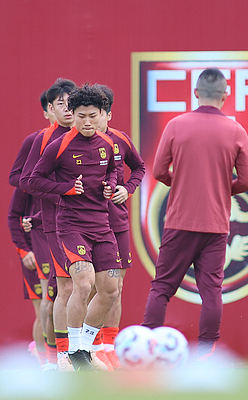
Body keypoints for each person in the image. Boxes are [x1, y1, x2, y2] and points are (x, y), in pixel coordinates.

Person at [141, 68, 248, 359]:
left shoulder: (176, 125)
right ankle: (206, 354)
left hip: (179, 222)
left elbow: (158, 171)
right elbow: (245, 182)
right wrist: (220, 188)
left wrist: (181, 183)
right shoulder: (236, 130)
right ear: (225, 95)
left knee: (162, 288)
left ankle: (146, 348)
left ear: (195, 93)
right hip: (215, 225)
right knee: (211, 292)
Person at [28, 84, 121, 371]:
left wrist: (112, 185)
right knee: (82, 283)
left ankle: (85, 348)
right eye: (81, 116)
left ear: (102, 114)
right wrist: (65, 188)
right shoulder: (59, 146)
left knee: (111, 290)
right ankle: (71, 351)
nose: (87, 122)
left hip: (102, 225)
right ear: (73, 114)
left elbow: (114, 170)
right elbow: (32, 181)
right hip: (71, 226)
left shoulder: (107, 144)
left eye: (93, 116)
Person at [20, 78, 77, 371]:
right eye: (60, 103)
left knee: (89, 288)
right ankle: (53, 358)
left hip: (86, 224)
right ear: (50, 108)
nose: (67, 108)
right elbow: (24, 180)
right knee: (54, 292)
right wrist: (61, 193)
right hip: (51, 226)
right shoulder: (41, 140)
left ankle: (85, 352)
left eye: (71, 102)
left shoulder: (89, 135)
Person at [95, 84, 145, 368]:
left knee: (116, 285)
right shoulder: (72, 144)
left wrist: (128, 188)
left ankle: (109, 347)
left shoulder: (120, 140)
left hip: (117, 222)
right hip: (85, 224)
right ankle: (89, 345)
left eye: (98, 113)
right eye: (85, 114)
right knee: (90, 286)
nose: (91, 120)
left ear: (108, 115)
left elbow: (139, 168)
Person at [8, 90, 57, 370]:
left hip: (64, 242)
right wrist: (23, 249)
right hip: (36, 250)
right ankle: (43, 361)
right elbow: (13, 216)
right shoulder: (28, 183)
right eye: (58, 105)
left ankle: (65, 354)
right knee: (43, 309)